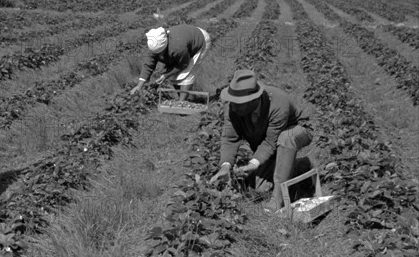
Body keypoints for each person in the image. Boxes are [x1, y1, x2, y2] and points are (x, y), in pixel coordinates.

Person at [210, 69, 314, 213]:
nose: (233, 106)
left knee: (286, 138)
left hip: (297, 130)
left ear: (254, 100)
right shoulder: (232, 107)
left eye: (239, 104)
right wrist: (225, 166)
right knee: (260, 188)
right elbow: (230, 138)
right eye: (233, 101)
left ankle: (278, 199)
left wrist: (253, 163)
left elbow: (271, 141)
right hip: (268, 141)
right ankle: (298, 166)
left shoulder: (278, 102)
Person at [129, 24, 211, 101]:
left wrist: (165, 75)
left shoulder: (178, 47)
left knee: (186, 74)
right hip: (186, 41)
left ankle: (181, 104)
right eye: (157, 53)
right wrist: (139, 86)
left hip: (200, 41)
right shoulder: (154, 46)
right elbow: (148, 65)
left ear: (166, 45)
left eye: (161, 52)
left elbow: (183, 64)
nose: (159, 55)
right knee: (174, 75)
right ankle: (186, 99)